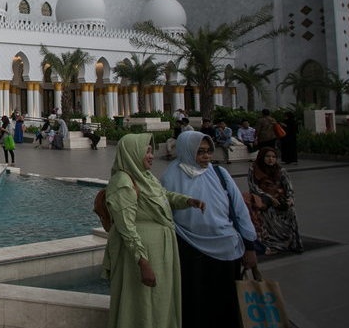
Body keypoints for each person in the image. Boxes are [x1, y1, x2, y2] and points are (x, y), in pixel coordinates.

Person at [103, 133, 205, 328]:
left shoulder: (145, 176)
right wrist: (143, 262)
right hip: (141, 255)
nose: (151, 155)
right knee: (141, 303)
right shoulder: (122, 183)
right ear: (132, 153)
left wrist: (186, 201)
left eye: (151, 151)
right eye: (146, 151)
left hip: (159, 252)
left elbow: (162, 195)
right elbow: (126, 227)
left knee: (159, 301)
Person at [161, 132, 259, 328]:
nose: (206, 157)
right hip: (189, 249)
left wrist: (250, 246)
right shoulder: (170, 178)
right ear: (187, 151)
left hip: (226, 246)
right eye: (200, 152)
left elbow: (239, 210)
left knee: (226, 302)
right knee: (195, 302)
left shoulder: (220, 174)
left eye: (208, 151)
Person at [248, 147, 303, 254]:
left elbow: (289, 188)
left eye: (273, 157)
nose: (271, 159)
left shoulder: (280, 170)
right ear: (262, 157)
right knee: (269, 212)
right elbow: (253, 187)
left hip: (279, 199)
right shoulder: (254, 169)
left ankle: (291, 242)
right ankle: (273, 243)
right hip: (263, 200)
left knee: (290, 211)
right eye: (268, 156)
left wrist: (290, 199)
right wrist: (269, 197)